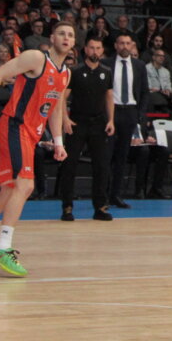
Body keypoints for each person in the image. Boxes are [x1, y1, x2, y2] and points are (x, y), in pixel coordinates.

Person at [0, 21, 74, 278]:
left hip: (31, 134)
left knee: (8, 190)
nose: (66, 38)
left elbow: (54, 108)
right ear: (52, 38)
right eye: (61, 33)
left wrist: (58, 143)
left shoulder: (66, 74)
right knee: (26, 185)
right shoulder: (35, 58)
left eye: (70, 35)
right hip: (14, 125)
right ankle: (2, 247)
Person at [57, 34, 115, 221]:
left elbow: (109, 97)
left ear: (102, 51)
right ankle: (67, 206)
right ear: (85, 50)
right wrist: (65, 119)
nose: (95, 51)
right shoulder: (74, 71)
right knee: (70, 165)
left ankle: (100, 207)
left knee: (101, 166)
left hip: (98, 122)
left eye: (98, 48)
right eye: (91, 48)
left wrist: (111, 120)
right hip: (77, 122)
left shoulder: (106, 71)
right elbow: (62, 98)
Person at [104, 31, 148, 208]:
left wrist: (139, 115)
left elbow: (144, 92)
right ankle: (103, 195)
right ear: (115, 45)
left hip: (129, 111)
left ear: (132, 46)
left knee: (122, 157)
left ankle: (116, 195)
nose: (124, 46)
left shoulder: (139, 65)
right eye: (121, 43)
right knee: (106, 156)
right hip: (110, 111)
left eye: (127, 43)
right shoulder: (106, 63)